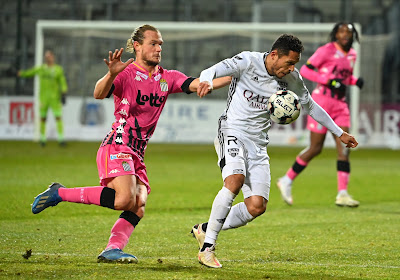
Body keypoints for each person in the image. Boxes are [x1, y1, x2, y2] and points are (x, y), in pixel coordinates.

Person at [31, 24, 231, 263]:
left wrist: (236, 76)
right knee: (124, 199)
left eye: (160, 45)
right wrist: (111, 74)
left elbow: (200, 84)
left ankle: (111, 250)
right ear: (137, 46)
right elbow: (98, 93)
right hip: (117, 145)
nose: (158, 49)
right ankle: (59, 193)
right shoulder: (125, 73)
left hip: (137, 152)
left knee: (138, 204)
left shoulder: (167, 78)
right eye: (153, 44)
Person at [191, 33, 358, 268]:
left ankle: (205, 228)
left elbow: (310, 105)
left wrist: (339, 132)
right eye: (289, 62)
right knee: (235, 180)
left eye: (295, 64)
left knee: (257, 206)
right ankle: (208, 248)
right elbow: (212, 70)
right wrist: (206, 80)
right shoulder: (247, 62)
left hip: (258, 143)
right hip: (232, 130)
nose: (291, 68)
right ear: (273, 55)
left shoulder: (291, 78)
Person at [277, 22, 364, 208]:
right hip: (322, 102)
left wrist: (355, 81)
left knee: (345, 148)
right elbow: (307, 69)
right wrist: (328, 81)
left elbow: (344, 77)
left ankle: (342, 194)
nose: (345, 35)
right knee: (315, 148)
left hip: (340, 105)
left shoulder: (353, 55)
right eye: (341, 31)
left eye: (348, 32)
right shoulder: (326, 50)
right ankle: (286, 179)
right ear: (335, 34)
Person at [18, 49, 68, 146]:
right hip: (43, 98)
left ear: (53, 57)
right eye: (46, 57)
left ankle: (61, 139)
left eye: (49, 56)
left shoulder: (58, 69)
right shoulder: (41, 69)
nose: (48, 58)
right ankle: (42, 139)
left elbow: (62, 81)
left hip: (55, 98)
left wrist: (64, 91)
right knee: (43, 118)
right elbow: (31, 72)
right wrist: (21, 73)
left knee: (58, 117)